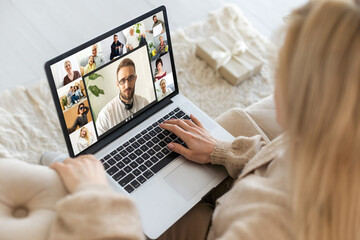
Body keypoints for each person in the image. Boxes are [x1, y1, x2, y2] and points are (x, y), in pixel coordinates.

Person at [47, 1, 360, 240]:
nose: (275, 76)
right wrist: (220, 151)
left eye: (284, 69)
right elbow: (283, 165)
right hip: (241, 197)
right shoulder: (338, 139)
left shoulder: (262, 227)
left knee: (75, 178)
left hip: (220, 228)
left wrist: (96, 195)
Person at [96, 58, 149, 135]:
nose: (127, 85)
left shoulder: (144, 103)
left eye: (130, 78)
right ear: (118, 84)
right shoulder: (105, 116)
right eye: (122, 81)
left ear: (135, 79)